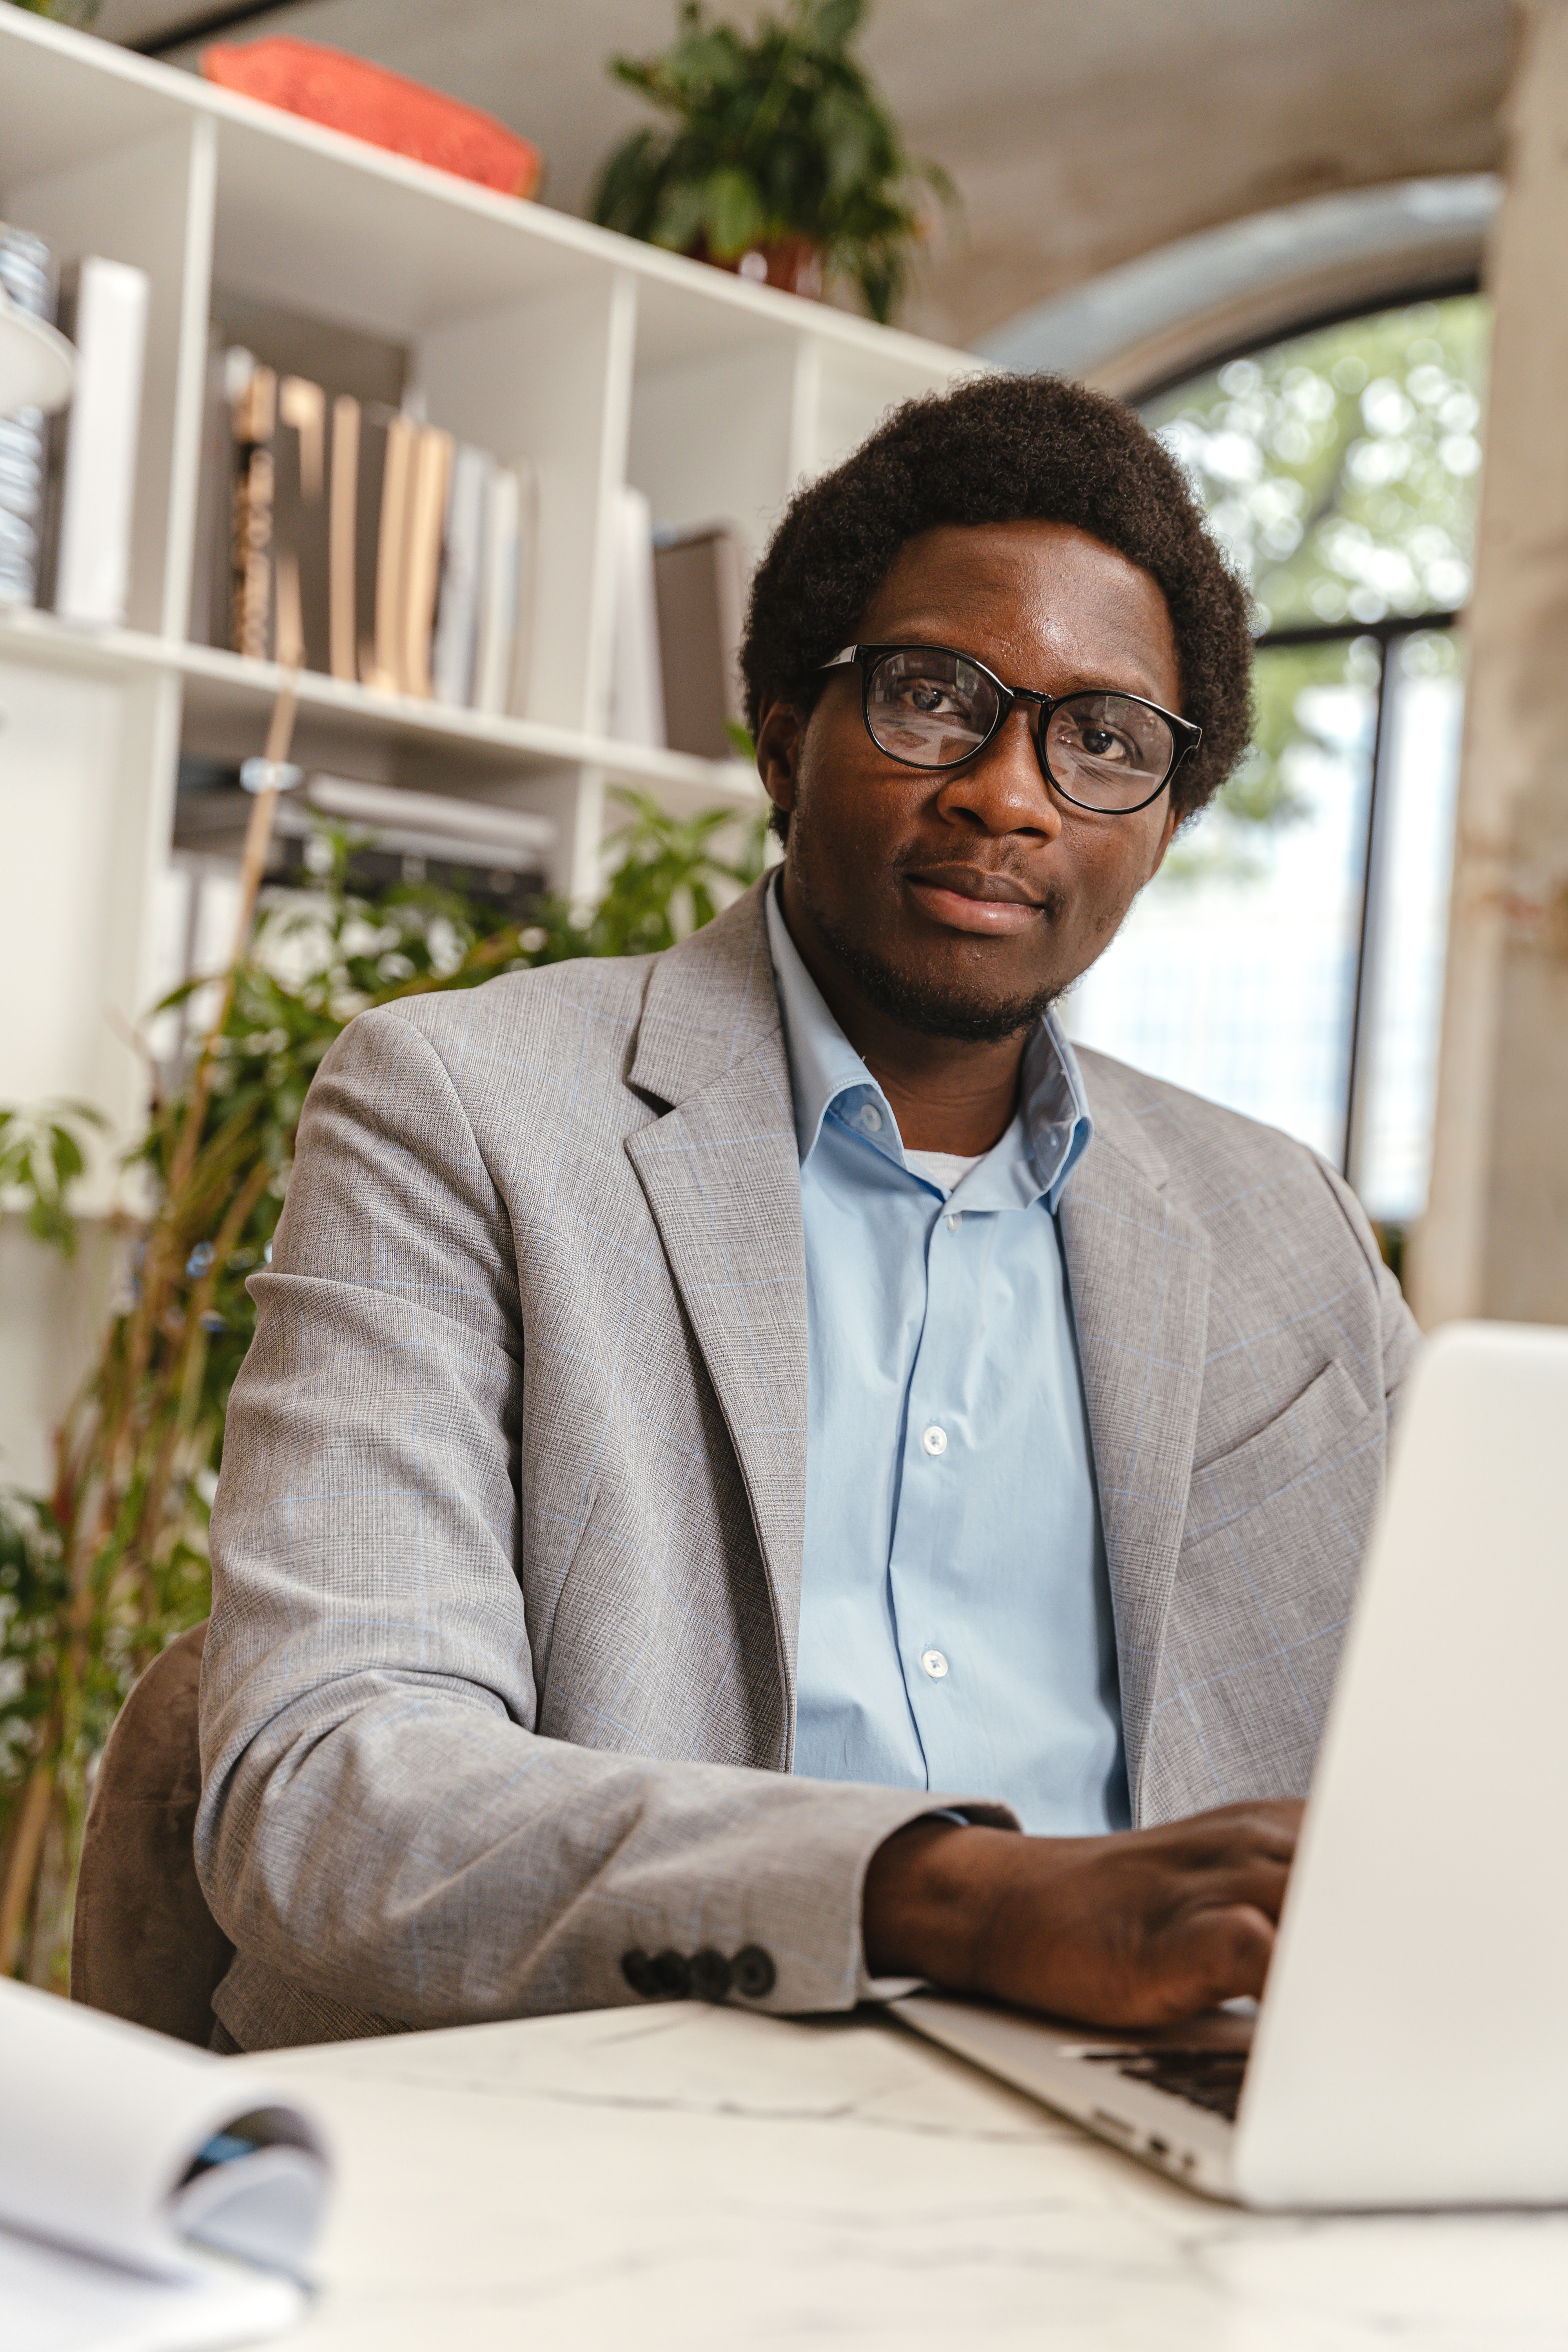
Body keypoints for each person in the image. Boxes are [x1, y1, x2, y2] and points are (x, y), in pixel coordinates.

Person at [197, 374, 1416, 2053]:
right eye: (935, 700)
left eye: (1104, 742)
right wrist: (961, 1901)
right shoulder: (463, 1110)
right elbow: (329, 1795)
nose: (1010, 792)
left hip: (1167, 2092)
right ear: (785, 734)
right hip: (631, 2101)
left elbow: (1469, 1743)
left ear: (1160, 828)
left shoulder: (1278, 1220)